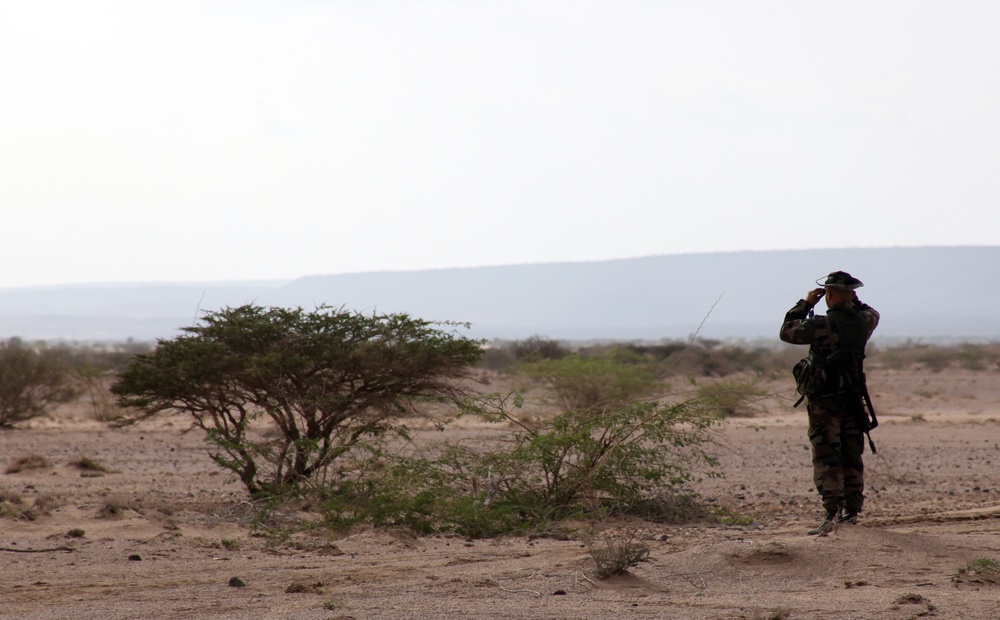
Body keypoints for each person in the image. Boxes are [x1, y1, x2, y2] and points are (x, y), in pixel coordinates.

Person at [779, 271, 880, 535]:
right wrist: (853, 301)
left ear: (829, 294)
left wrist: (806, 304)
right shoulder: (865, 321)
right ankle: (852, 512)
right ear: (853, 294)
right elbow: (872, 312)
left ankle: (831, 514)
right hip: (853, 398)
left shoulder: (821, 324)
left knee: (826, 456)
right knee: (851, 453)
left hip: (825, 401)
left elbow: (787, 332)